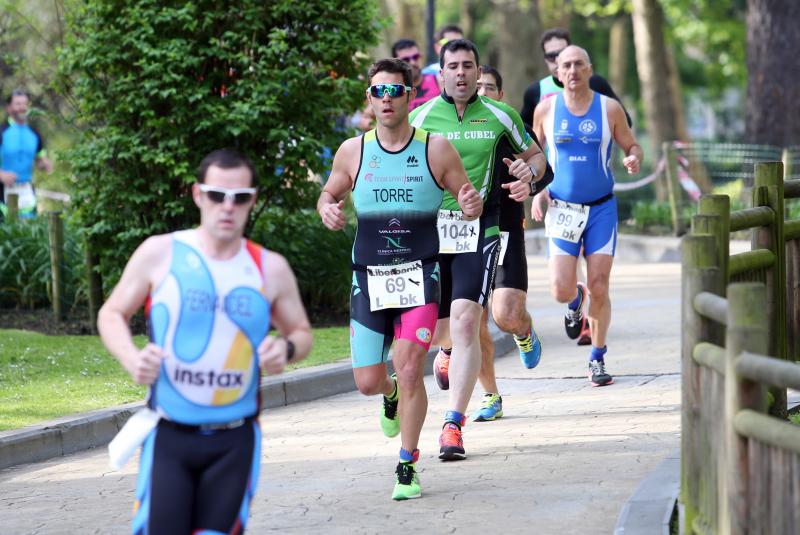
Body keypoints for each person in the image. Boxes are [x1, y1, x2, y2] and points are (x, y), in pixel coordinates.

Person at [97, 148, 313, 533]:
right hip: (169, 436)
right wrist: (131, 359)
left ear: (252, 201)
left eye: (240, 198)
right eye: (216, 195)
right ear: (198, 195)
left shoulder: (270, 268)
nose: (227, 207)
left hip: (235, 440)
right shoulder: (160, 253)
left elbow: (301, 333)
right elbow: (111, 313)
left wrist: (286, 348)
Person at [318, 58, 481, 499]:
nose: (387, 100)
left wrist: (471, 205)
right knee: (369, 381)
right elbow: (330, 192)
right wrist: (327, 207)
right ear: (369, 99)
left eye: (395, 92)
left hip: (419, 275)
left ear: (410, 96)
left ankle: (407, 464)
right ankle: (388, 395)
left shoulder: (435, 148)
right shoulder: (353, 151)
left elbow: (469, 200)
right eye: (378, 92)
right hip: (368, 278)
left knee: (410, 368)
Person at [410, 39, 547, 460]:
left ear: (477, 69)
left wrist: (530, 175)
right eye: (453, 66)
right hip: (433, 233)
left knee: (470, 321)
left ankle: (453, 426)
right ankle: (447, 353)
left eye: (468, 65)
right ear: (442, 73)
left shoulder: (501, 115)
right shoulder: (420, 117)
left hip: (480, 228)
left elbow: (537, 157)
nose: (462, 73)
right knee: (439, 329)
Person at [532, 46, 643, 387]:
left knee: (600, 285)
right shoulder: (546, 109)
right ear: (558, 72)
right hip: (563, 208)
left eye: (580, 63)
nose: (573, 69)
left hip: (600, 208)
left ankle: (597, 356)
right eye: (566, 65)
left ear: (590, 68)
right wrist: (538, 189)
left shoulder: (608, 108)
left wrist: (633, 158)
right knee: (559, 289)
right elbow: (534, 156)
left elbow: (631, 145)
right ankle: (574, 301)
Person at [472, 65, 553, 422]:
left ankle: (523, 330)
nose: (483, 92)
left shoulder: (508, 124)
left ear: (501, 94)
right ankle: (490, 395)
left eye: (490, 87)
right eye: (478, 86)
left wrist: (529, 182)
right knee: (473, 321)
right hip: (464, 235)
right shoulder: (446, 126)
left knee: (505, 315)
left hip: (505, 230)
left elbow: (544, 167)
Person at [520, 28, 631, 128]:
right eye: (551, 56)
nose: (557, 59)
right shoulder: (535, 91)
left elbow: (625, 122)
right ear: (545, 58)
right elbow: (522, 133)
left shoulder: (596, 83)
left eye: (561, 53)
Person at [0, 89, 53, 218]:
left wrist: (45, 164)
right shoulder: (2, 131)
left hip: (27, 192)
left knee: (28, 234)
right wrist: (1, 174)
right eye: (18, 104)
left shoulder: (35, 133)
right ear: (9, 108)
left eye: (25, 104)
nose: (22, 107)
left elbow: (40, 158)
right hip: (2, 193)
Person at [391, 39, 440, 111]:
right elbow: (369, 115)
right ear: (395, 63)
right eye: (406, 60)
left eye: (416, 57)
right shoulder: (391, 89)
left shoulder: (438, 81)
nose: (413, 63)